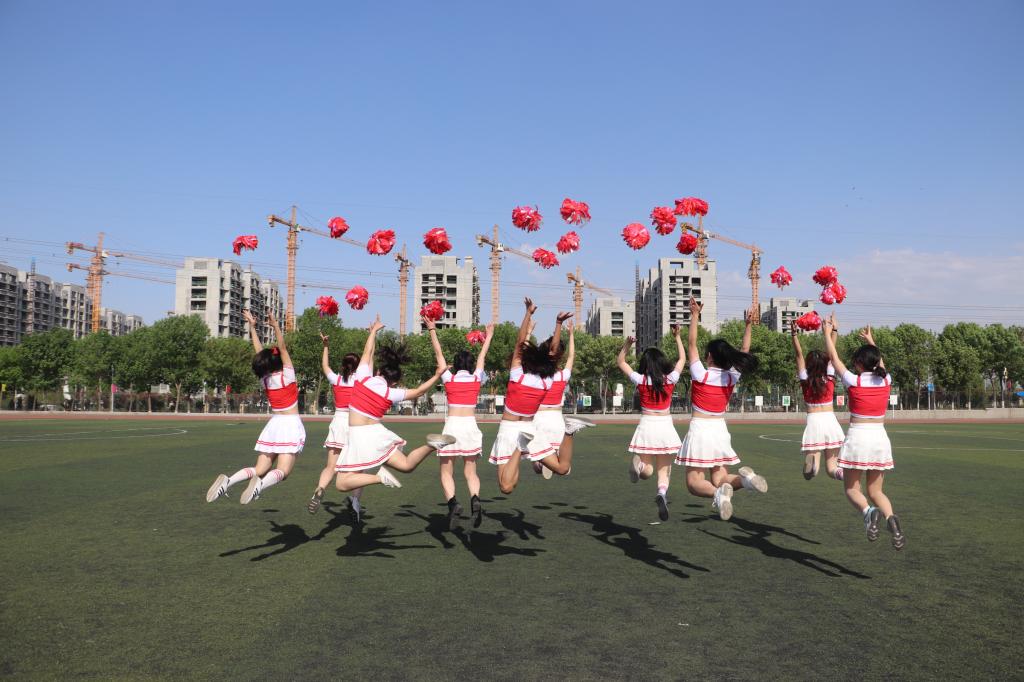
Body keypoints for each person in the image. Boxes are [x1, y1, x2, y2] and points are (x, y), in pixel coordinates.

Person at [333, 316, 453, 500]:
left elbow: (367, 352)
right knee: (406, 465)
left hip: (358, 436)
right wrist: (437, 375)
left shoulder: (362, 377)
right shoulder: (391, 393)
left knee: (341, 483)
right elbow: (419, 391)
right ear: (394, 382)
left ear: (378, 372)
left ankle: (379, 478)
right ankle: (431, 446)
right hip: (376, 434)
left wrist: (373, 331)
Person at [675, 297, 767, 520]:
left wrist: (694, 315)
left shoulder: (701, 374)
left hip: (700, 429)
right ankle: (746, 480)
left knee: (694, 483)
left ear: (709, 357)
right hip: (720, 430)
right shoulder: (731, 377)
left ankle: (718, 495)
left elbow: (691, 344)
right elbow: (745, 350)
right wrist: (748, 326)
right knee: (720, 478)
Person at [206, 310, 305, 505]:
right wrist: (276, 326)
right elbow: (283, 348)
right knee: (283, 471)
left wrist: (252, 327)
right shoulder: (288, 377)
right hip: (291, 425)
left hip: (273, 425)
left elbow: (260, 353)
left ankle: (229, 481)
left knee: (259, 469)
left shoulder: (265, 380)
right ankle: (260, 485)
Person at [823, 315, 905, 550]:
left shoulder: (854, 381)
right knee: (876, 491)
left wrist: (827, 333)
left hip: (858, 437)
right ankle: (892, 520)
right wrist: (871, 341)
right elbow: (880, 363)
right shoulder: (886, 380)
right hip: (880, 438)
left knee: (851, 488)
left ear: (859, 364)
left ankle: (869, 512)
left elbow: (834, 359)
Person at [489, 299, 586, 495]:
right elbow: (554, 352)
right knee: (562, 468)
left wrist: (528, 313)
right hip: (529, 429)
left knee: (506, 487)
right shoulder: (548, 381)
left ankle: (522, 446)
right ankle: (568, 432)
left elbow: (520, 343)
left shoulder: (517, 374)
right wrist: (558, 324)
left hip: (511, 428)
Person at [306, 318, 380, 518]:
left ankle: (319, 490)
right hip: (356, 424)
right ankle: (355, 502)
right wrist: (372, 334)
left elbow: (325, 366)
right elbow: (369, 356)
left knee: (331, 467)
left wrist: (326, 346)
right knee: (359, 468)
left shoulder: (337, 379)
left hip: (338, 422)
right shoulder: (363, 379)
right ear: (358, 365)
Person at [428, 321, 496, 530]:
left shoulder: (448, 378)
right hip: (471, 426)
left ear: (456, 365)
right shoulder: (476, 378)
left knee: (446, 472)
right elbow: (483, 356)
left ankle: (453, 503)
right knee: (471, 472)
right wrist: (489, 336)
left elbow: (438, 353)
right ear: (470, 365)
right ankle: (475, 499)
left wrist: (432, 329)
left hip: (452, 427)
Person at [617, 324, 686, 521]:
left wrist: (627, 345)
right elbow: (682, 359)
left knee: (647, 470)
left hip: (647, 424)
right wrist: (677, 337)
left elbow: (620, 362)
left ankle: (639, 466)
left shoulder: (641, 380)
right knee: (664, 470)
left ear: (646, 364)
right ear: (661, 362)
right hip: (665, 425)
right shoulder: (670, 380)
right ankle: (662, 493)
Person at [532, 320, 595, 481]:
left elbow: (522, 355)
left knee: (537, 462)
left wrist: (528, 332)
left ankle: (540, 464)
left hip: (538, 418)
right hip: (556, 420)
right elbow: (572, 356)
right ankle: (555, 458)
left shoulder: (536, 375)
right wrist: (571, 334)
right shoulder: (563, 375)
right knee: (560, 464)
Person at [791, 324, 845, 481]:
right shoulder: (829, 377)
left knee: (812, 473)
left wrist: (794, 335)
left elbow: (799, 355)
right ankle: (841, 473)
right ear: (825, 363)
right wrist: (833, 331)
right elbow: (832, 352)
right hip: (830, 421)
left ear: (808, 364)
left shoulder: (805, 379)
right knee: (832, 468)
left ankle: (812, 468)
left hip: (813, 422)